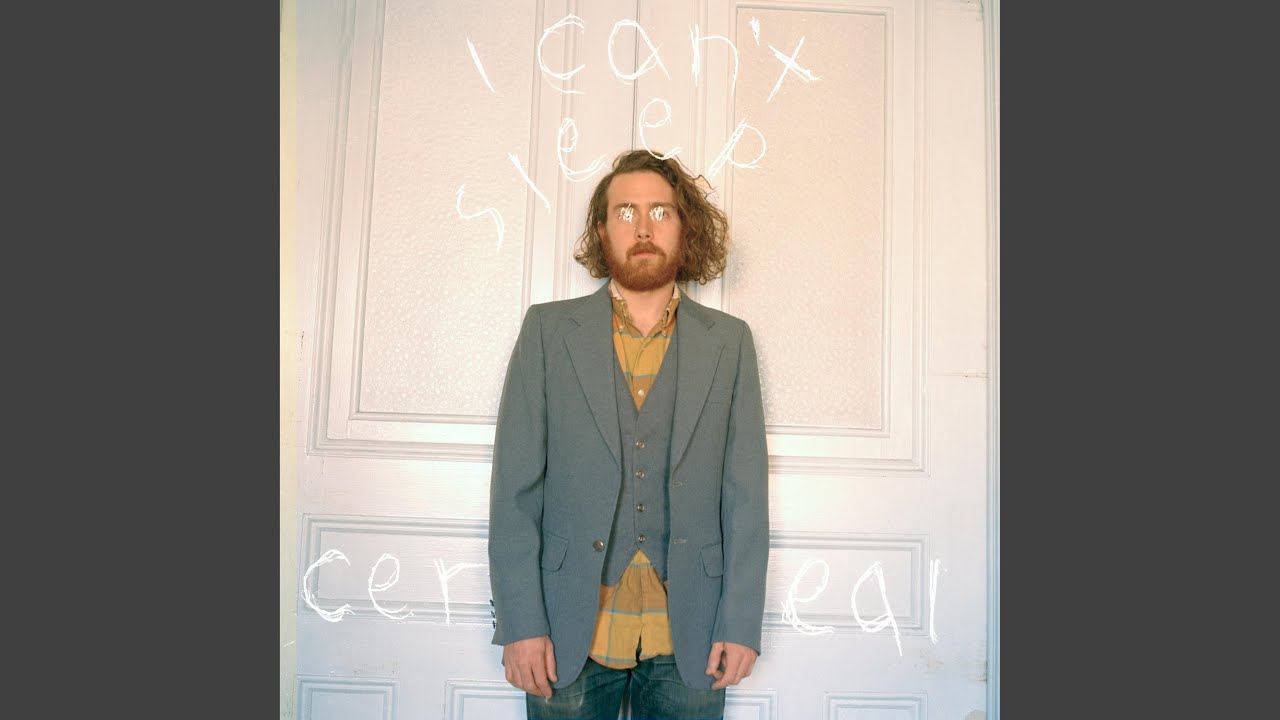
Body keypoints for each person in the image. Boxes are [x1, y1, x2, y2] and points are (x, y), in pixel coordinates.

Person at [488, 149, 769, 720]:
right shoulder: (547, 332)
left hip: (693, 630)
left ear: (685, 229)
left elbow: (745, 496)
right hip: (564, 628)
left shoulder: (729, 342)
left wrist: (741, 622)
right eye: (625, 212)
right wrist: (520, 623)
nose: (643, 228)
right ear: (602, 229)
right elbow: (514, 492)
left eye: (661, 212)